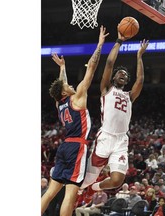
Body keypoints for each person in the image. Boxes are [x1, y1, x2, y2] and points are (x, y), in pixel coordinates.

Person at [41, 25, 109, 216]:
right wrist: (100, 44)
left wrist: (62, 68)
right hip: (76, 148)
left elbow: (60, 87)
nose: (71, 85)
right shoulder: (77, 97)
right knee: (70, 194)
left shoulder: (59, 104)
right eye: (68, 85)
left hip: (64, 147)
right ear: (65, 91)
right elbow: (92, 68)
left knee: (50, 193)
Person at [80, 24, 149, 194]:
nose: (123, 74)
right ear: (114, 78)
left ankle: (94, 188)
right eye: (120, 73)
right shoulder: (106, 89)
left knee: (117, 181)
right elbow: (110, 63)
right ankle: (81, 190)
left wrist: (139, 56)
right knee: (86, 178)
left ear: (126, 81)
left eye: (125, 75)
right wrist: (119, 41)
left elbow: (139, 80)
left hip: (121, 141)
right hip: (105, 137)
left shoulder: (129, 96)